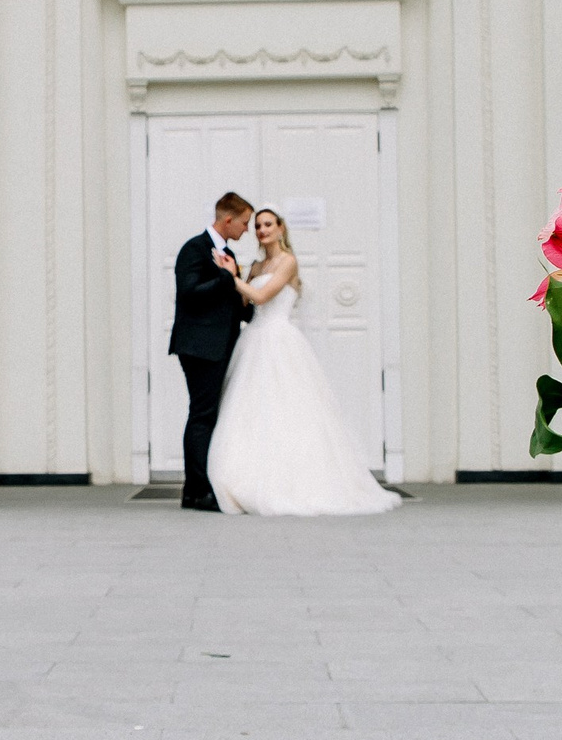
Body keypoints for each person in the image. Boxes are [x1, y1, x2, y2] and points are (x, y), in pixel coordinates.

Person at [205, 209, 399, 517]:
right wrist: (237, 274)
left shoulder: (288, 262)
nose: (262, 230)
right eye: (257, 225)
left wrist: (233, 279)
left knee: (290, 409)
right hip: (254, 338)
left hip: (279, 339)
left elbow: (263, 296)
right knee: (249, 410)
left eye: (268, 224)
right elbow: (243, 302)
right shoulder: (256, 265)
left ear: (281, 228)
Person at [170, 193, 255, 512]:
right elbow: (189, 293)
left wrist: (245, 308)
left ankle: (196, 490)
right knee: (202, 415)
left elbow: (226, 300)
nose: (247, 229)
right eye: (245, 222)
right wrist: (226, 277)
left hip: (220, 345)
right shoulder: (194, 249)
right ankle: (197, 491)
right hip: (200, 346)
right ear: (228, 219)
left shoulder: (228, 253)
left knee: (208, 415)